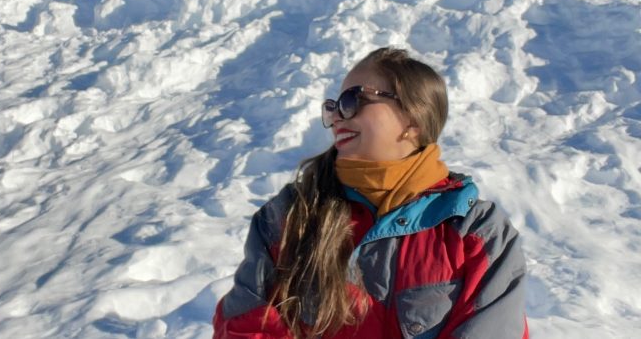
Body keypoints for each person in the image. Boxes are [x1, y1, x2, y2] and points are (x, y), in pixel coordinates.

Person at [212, 47, 529, 339]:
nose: (337, 116)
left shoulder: (477, 233)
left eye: (352, 100)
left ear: (412, 119)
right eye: (333, 106)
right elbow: (246, 323)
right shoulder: (290, 216)